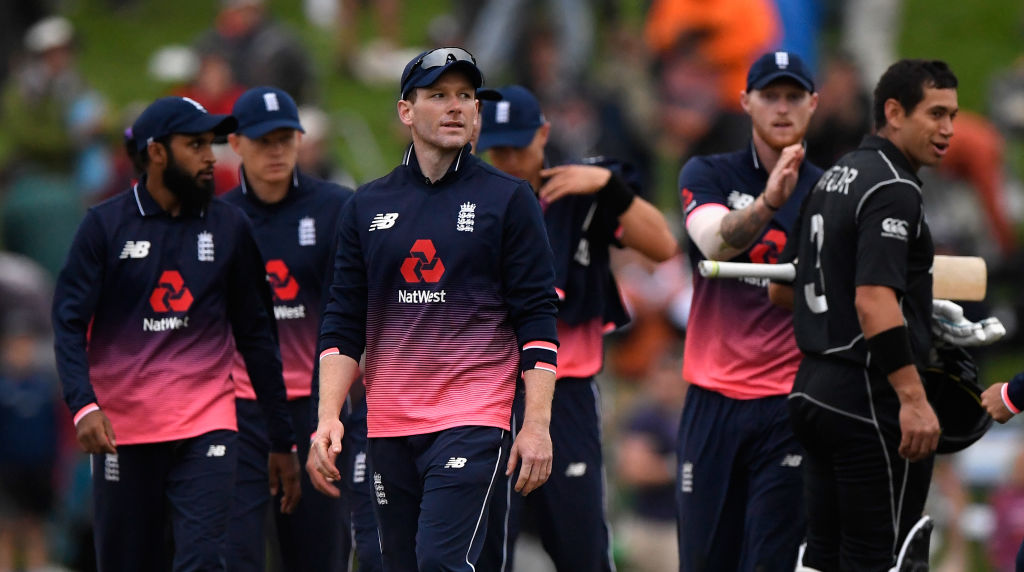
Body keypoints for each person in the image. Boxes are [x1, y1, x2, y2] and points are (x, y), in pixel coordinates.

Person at [308, 47, 559, 571]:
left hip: (474, 416)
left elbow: (537, 318)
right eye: (439, 95)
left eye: (465, 96)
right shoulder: (366, 205)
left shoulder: (508, 199)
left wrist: (535, 424)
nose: (455, 107)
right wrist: (328, 416)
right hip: (388, 425)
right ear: (406, 111)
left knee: (441, 562)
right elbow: (343, 320)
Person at [51, 96, 301, 571]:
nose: (211, 157)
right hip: (122, 435)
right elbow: (67, 323)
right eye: (196, 145)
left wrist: (280, 439)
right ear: (158, 152)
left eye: (211, 143)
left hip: (207, 428)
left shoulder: (230, 226)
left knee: (204, 561)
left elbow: (258, 336)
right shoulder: (103, 227)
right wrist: (84, 406)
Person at [473, 84, 677, 571]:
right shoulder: (470, 200)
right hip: (490, 391)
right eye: (496, 149)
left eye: (518, 148)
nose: (508, 160)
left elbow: (664, 246)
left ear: (544, 134)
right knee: (486, 548)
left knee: (582, 545)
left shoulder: (581, 187)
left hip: (568, 391)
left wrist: (611, 189)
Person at [773, 59, 958, 571]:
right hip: (867, 398)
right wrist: (914, 399)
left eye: (953, 116)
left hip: (811, 389)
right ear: (894, 112)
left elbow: (779, 290)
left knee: (821, 557)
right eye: (936, 113)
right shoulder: (894, 186)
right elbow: (873, 299)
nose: (947, 129)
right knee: (878, 560)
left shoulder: (832, 176)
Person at [220, 86, 378, 571]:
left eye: (285, 139)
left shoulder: (337, 209)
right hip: (238, 411)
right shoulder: (217, 219)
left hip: (318, 408)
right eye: (263, 140)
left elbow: (361, 309)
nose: (276, 151)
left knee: (319, 555)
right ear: (236, 144)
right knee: (234, 553)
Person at [675, 50, 820, 571]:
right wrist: (768, 205)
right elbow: (714, 243)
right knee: (704, 560)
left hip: (789, 404)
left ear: (813, 105)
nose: (782, 108)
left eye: (793, 97)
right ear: (745, 103)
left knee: (771, 562)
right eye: (770, 96)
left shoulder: (832, 191)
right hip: (713, 400)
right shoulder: (707, 171)